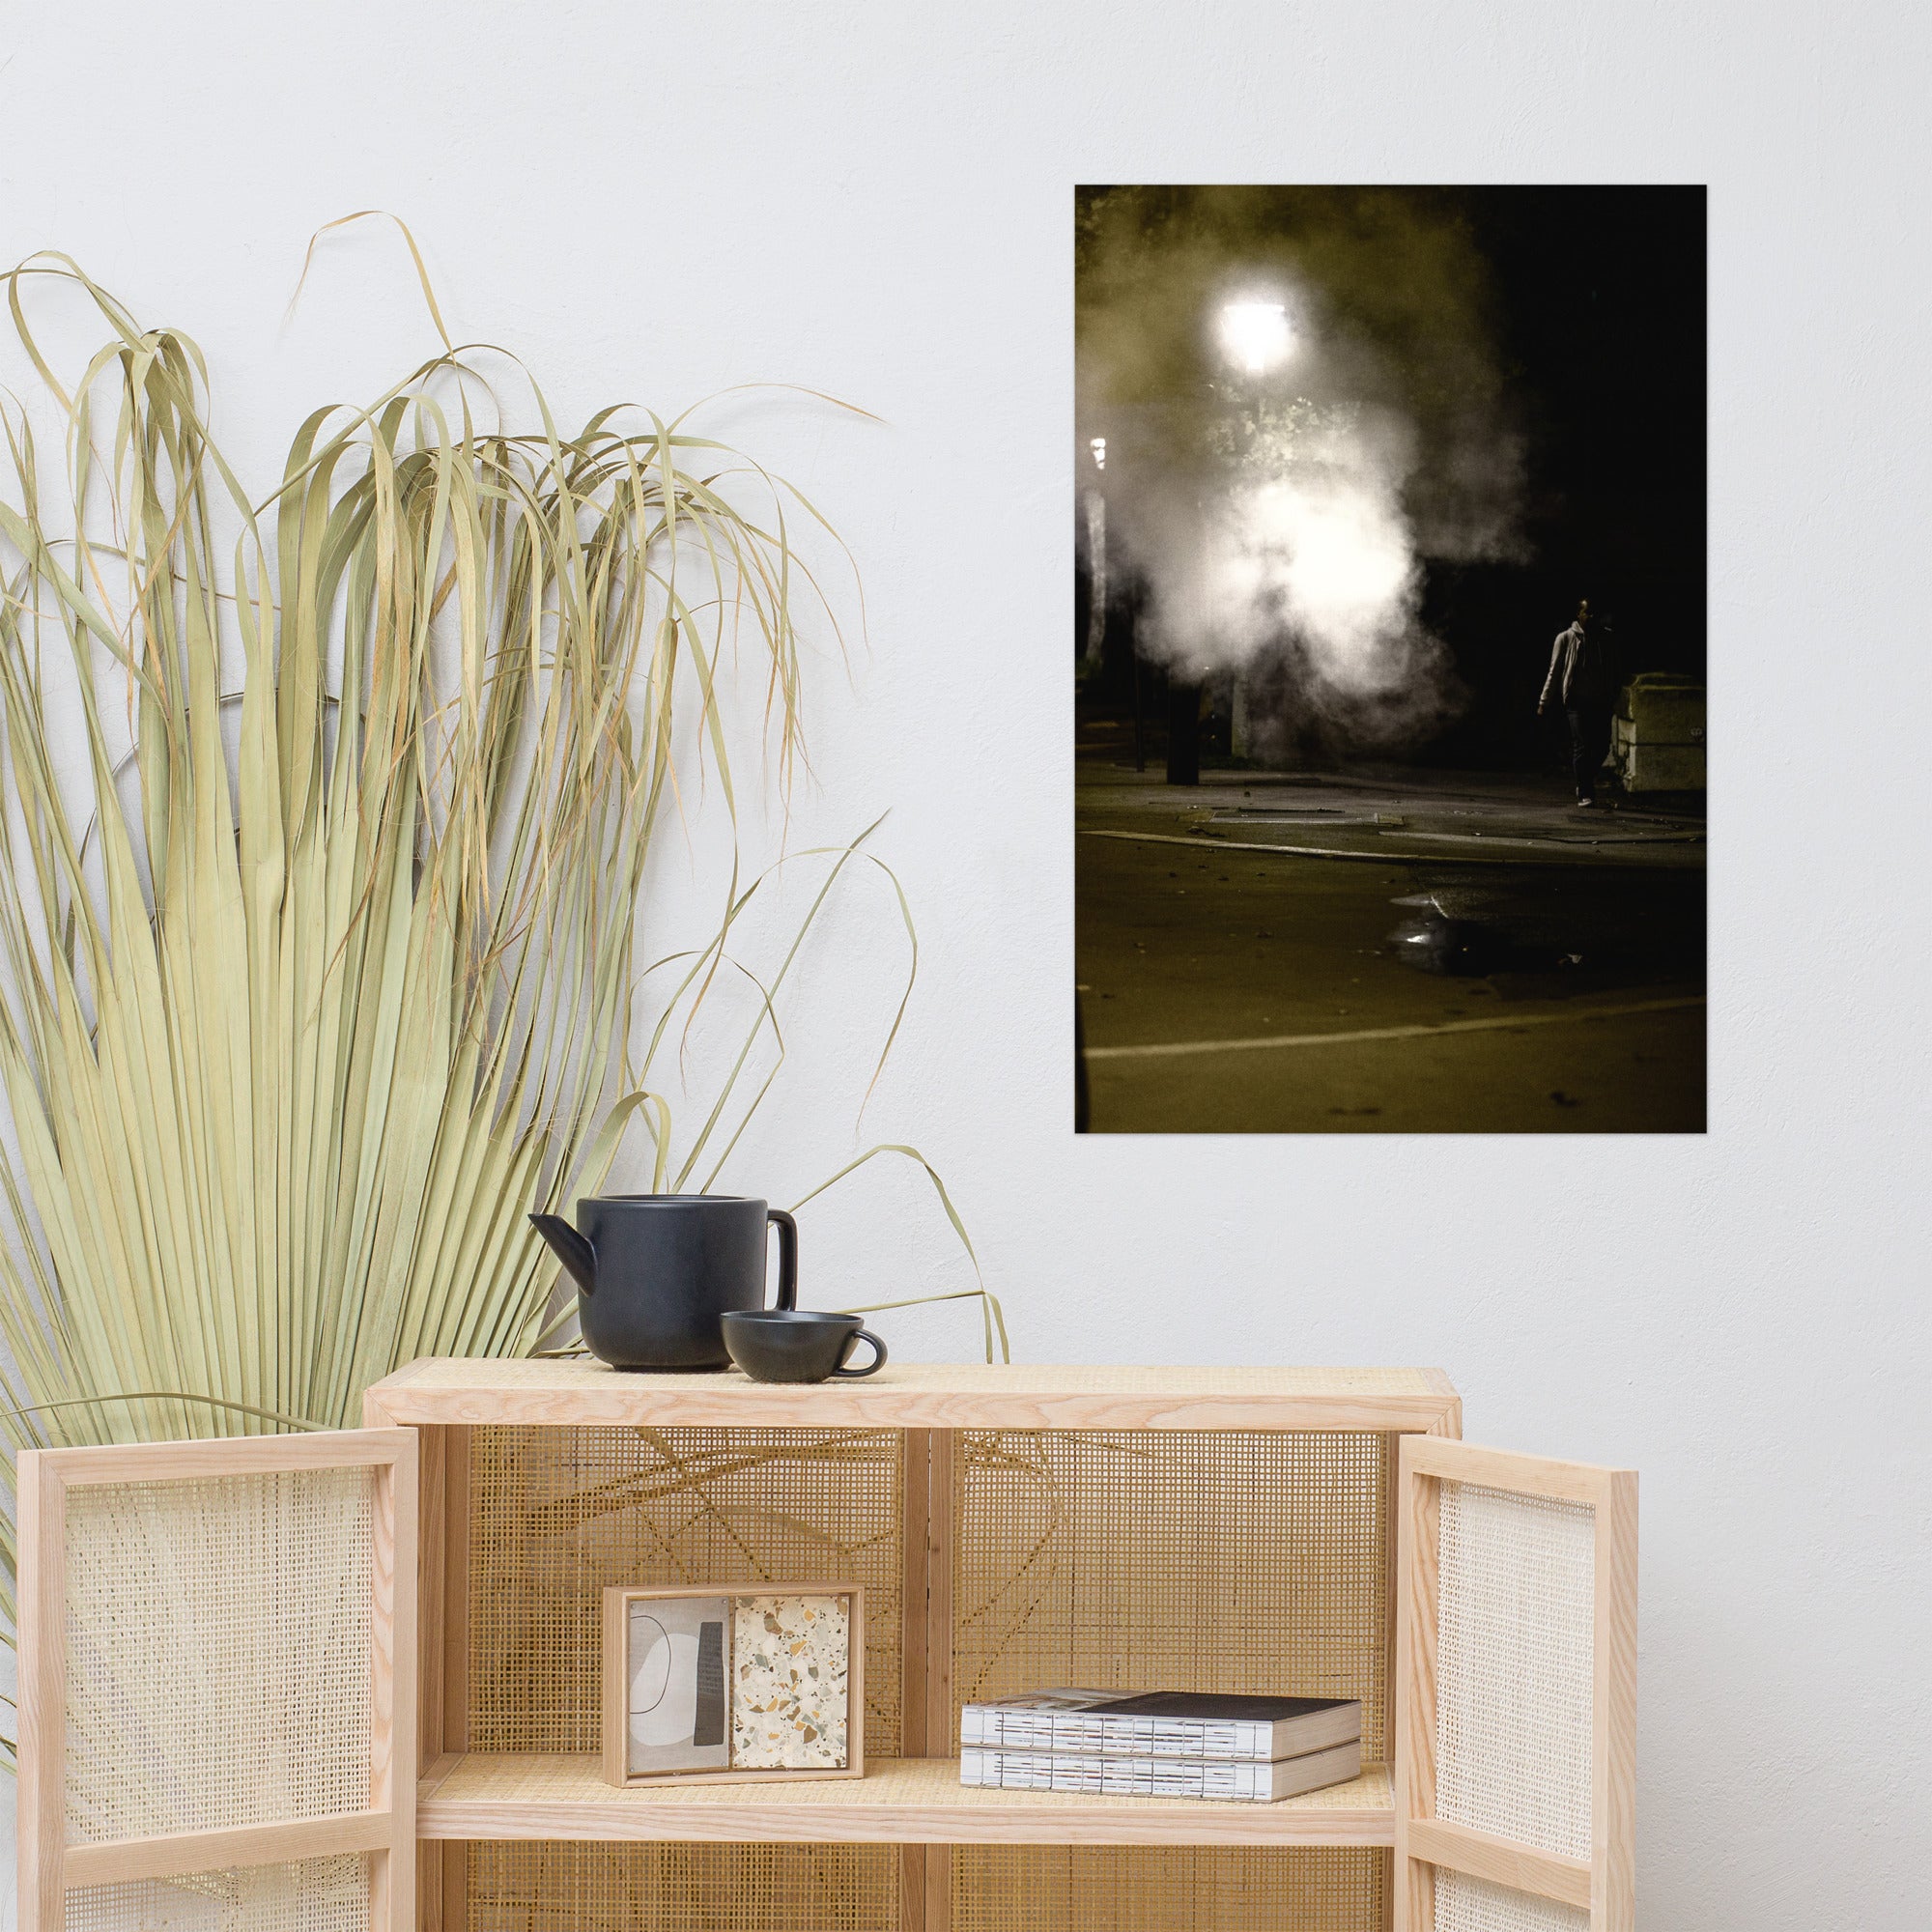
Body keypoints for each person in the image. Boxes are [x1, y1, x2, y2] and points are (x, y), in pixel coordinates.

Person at [1538, 599, 1616, 807]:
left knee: (1602, 746)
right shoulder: (1565, 638)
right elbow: (1554, 671)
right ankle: (1585, 792)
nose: (1592, 617)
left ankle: (1585, 780)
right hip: (1576, 702)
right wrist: (1544, 701)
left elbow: (1612, 670)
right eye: (1587, 612)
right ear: (1578, 614)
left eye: (1594, 613)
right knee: (1581, 744)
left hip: (1599, 701)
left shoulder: (1605, 638)